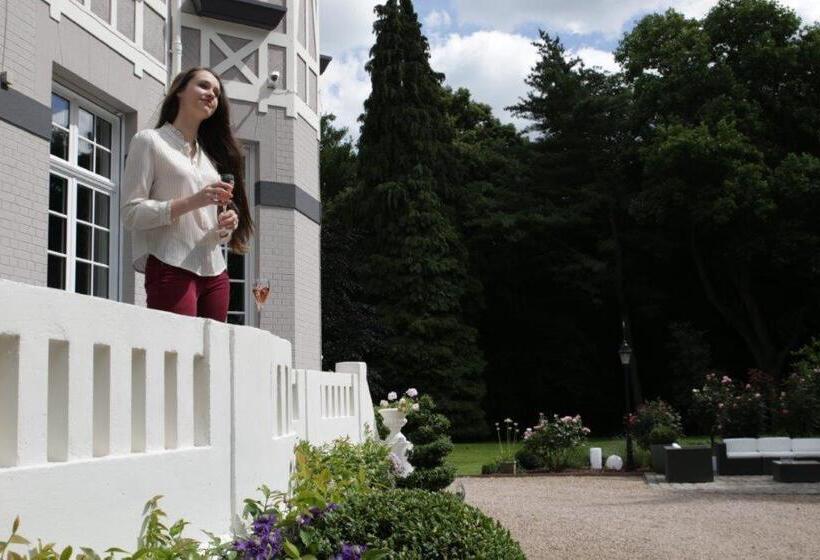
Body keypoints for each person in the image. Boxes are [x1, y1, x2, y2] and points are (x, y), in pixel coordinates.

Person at [122, 67, 253, 321]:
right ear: (179, 90)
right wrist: (194, 201)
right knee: (174, 356)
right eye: (204, 86)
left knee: (214, 358)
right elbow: (130, 213)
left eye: (216, 92)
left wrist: (226, 226)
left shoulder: (209, 161)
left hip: (216, 274)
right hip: (171, 266)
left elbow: (210, 224)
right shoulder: (149, 142)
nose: (212, 95)